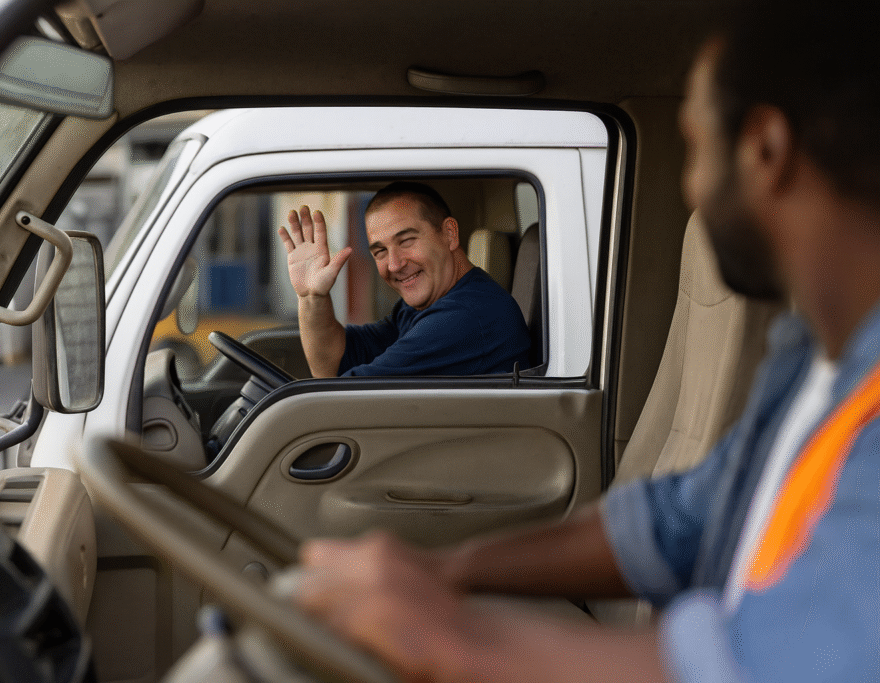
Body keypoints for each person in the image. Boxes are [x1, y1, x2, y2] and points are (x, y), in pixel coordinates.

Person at [293, 1, 880, 680]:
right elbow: (675, 519)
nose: (688, 190)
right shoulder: (805, 361)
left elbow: (776, 662)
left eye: (693, 149)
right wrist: (446, 569)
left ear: (765, 150)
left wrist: (455, 634)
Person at [276, 182, 531, 377]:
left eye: (406, 241)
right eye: (380, 251)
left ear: (450, 234)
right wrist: (312, 296)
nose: (395, 264)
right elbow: (333, 363)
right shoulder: (425, 307)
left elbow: (342, 399)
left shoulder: (465, 318)